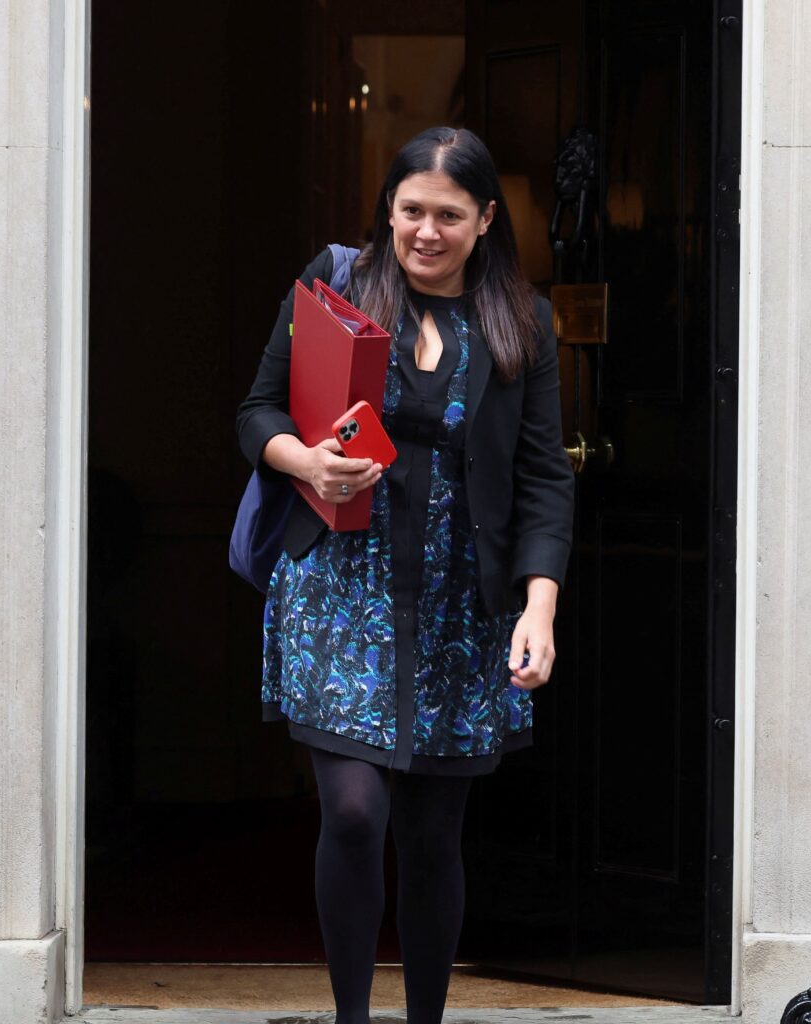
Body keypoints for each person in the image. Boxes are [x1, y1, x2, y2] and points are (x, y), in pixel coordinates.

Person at [236, 126, 576, 1023]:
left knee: (432, 835)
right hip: (340, 589)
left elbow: (544, 477)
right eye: (413, 210)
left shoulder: (521, 323)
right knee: (354, 813)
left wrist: (538, 607)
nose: (428, 231)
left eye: (450, 216)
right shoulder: (337, 287)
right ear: (388, 209)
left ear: (486, 219)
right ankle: (352, 1017)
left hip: (461, 602)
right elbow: (257, 410)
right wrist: (305, 462)